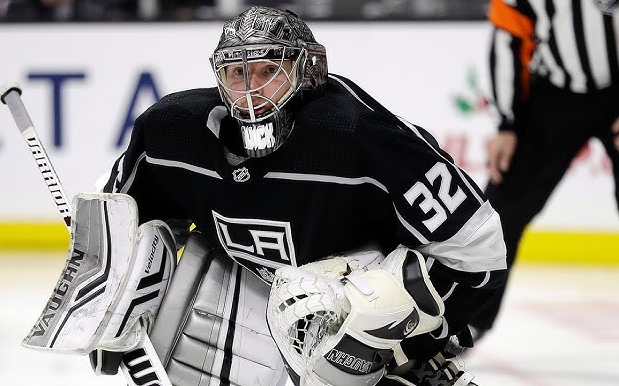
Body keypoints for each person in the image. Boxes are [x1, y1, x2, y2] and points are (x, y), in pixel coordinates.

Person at [27, 6, 505, 386]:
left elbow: (480, 251)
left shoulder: (364, 139)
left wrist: (414, 339)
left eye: (266, 71)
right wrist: (110, 296)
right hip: (245, 305)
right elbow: (121, 226)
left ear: (307, 72)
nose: (249, 92)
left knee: (350, 300)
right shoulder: (170, 132)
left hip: (353, 313)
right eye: (237, 74)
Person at [470, 0, 619, 340]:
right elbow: (509, 30)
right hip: (557, 91)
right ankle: (468, 320)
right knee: (501, 210)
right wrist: (506, 123)